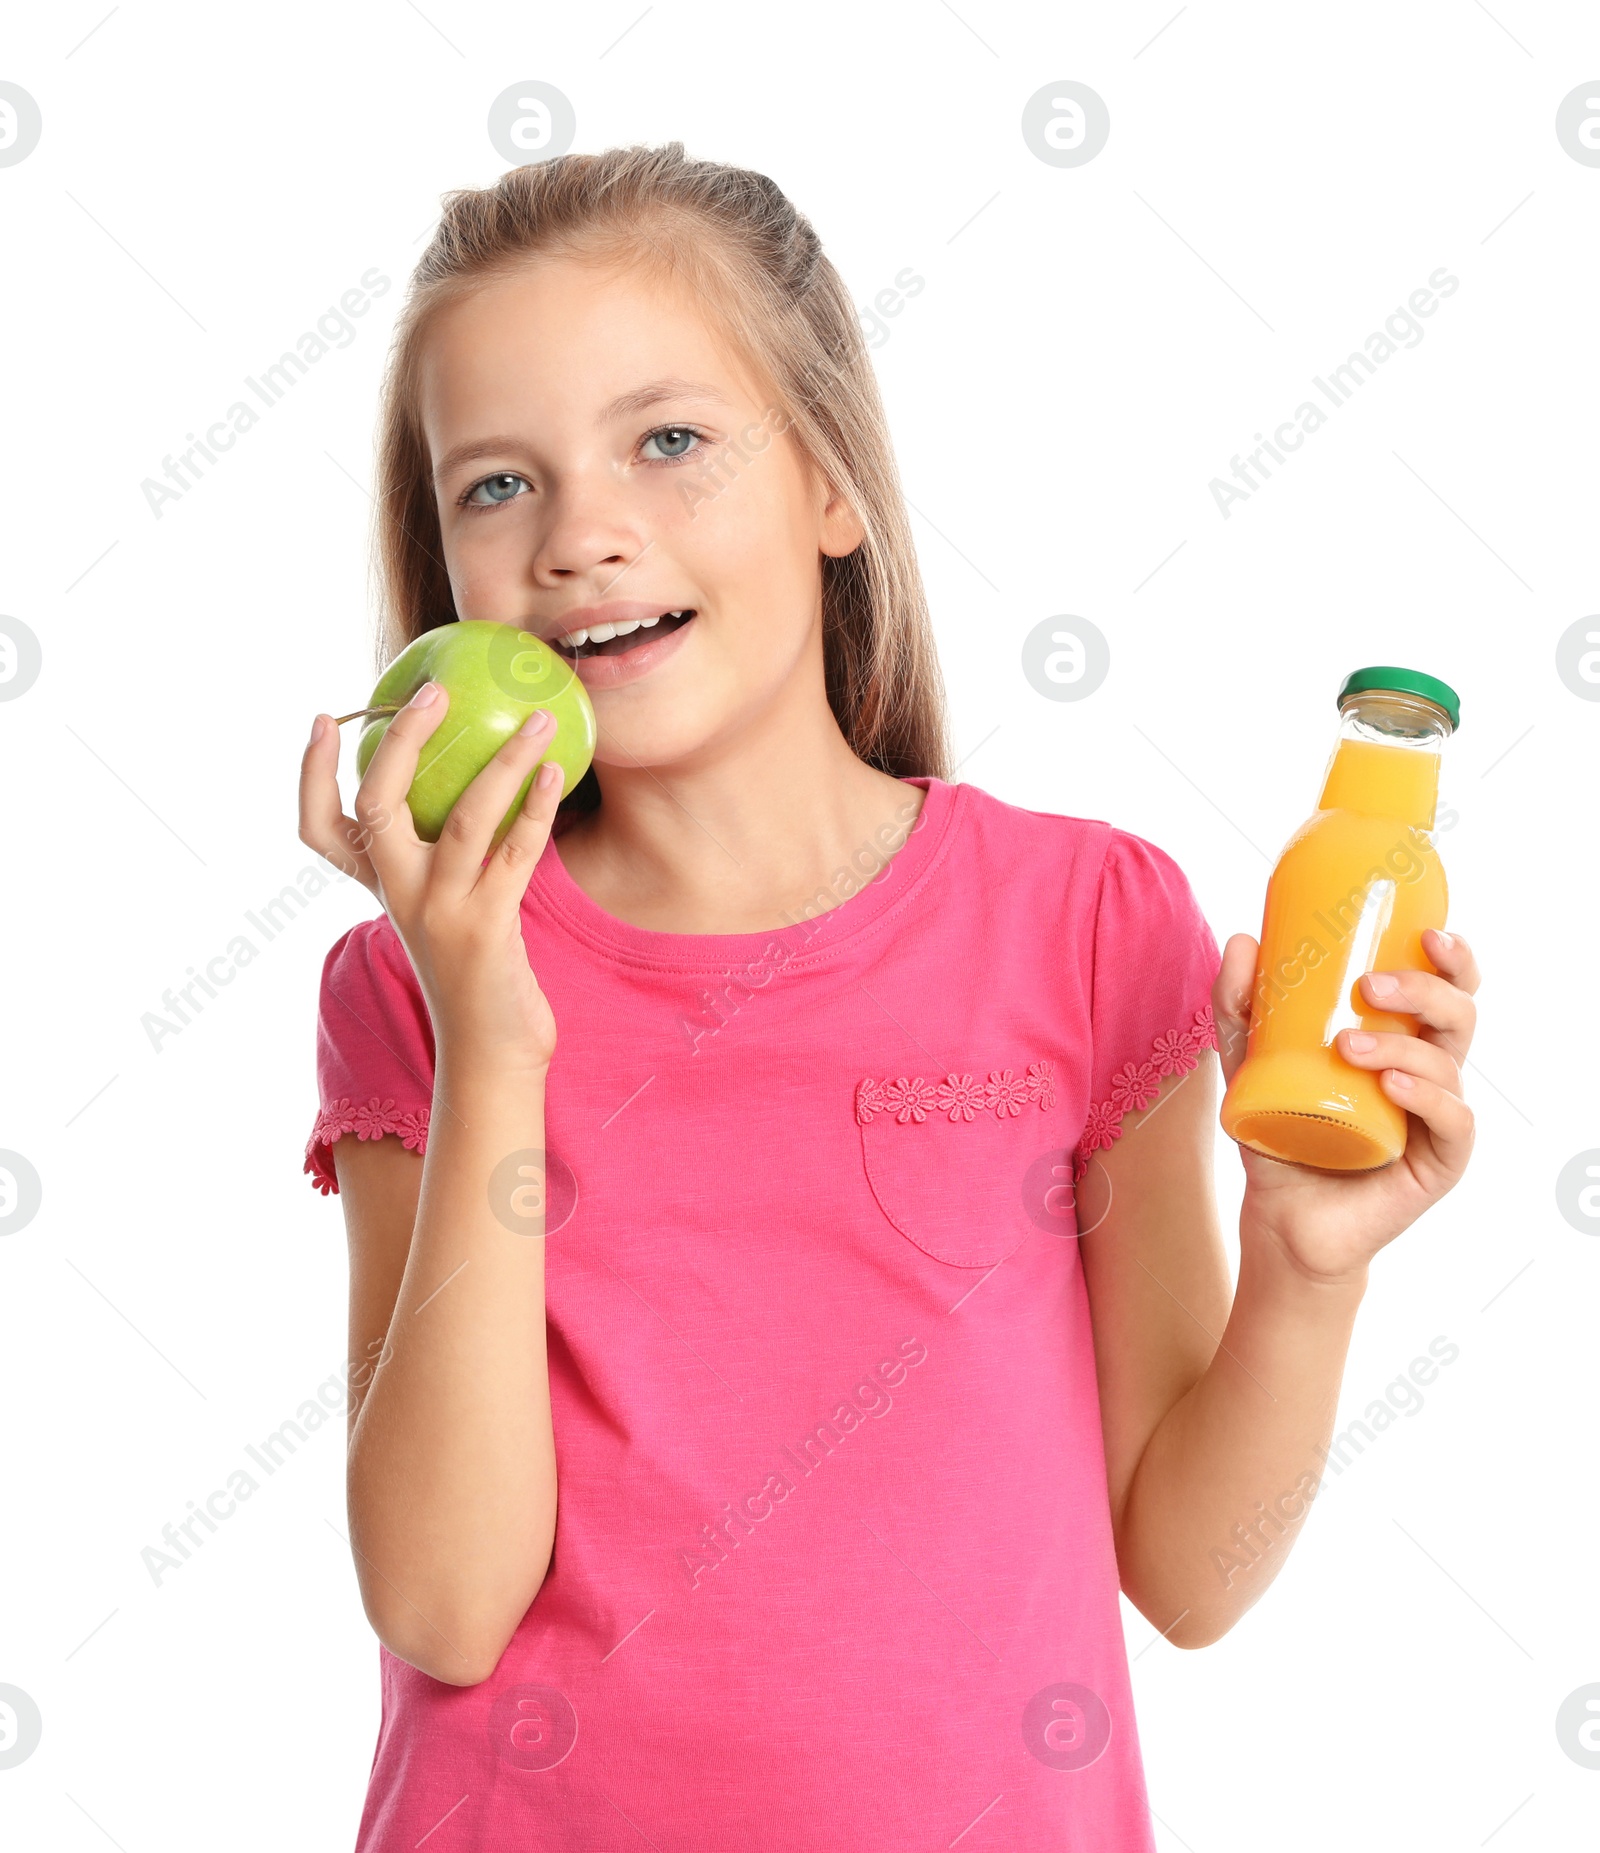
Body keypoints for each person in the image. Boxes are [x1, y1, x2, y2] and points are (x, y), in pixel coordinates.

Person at [296, 143, 1479, 1851]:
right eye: (498, 485)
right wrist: (491, 1032)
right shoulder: (413, 983)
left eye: (671, 440)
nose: (582, 536)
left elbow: (1192, 1577)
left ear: (834, 485)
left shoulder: (1083, 922)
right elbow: (444, 1602)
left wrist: (1304, 1267)